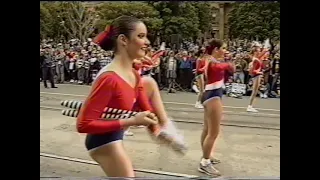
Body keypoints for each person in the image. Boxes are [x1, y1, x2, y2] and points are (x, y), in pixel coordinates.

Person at [76, 16, 159, 177]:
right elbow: (83, 124)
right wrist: (132, 121)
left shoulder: (134, 73)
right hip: (103, 142)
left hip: (116, 135)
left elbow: (143, 103)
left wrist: (154, 124)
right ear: (123, 40)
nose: (147, 42)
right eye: (141, 36)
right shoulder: (109, 78)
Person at [198, 39, 234, 177]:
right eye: (223, 48)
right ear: (216, 49)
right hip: (213, 96)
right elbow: (221, 68)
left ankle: (207, 156)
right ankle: (205, 163)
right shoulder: (212, 61)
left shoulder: (210, 60)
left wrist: (228, 66)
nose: (225, 51)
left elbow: (227, 73)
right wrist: (228, 65)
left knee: (207, 130)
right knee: (213, 132)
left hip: (210, 94)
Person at [247, 44, 264, 112]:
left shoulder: (256, 58)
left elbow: (261, 54)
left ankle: (250, 106)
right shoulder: (255, 60)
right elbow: (252, 71)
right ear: (255, 52)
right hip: (256, 76)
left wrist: (265, 50)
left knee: (255, 91)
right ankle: (250, 106)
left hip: (257, 75)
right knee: (254, 91)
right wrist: (259, 72)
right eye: (258, 51)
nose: (259, 52)